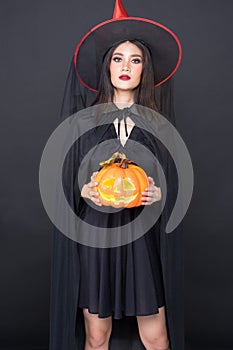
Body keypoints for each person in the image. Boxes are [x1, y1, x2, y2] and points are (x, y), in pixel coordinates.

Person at [49, 1, 184, 350]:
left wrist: (160, 194)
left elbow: (171, 182)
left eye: (135, 60)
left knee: (156, 338)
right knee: (97, 337)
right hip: (95, 237)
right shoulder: (81, 124)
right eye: (118, 58)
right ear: (106, 65)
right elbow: (63, 187)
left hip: (142, 234)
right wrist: (84, 190)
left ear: (145, 70)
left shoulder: (159, 125)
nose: (126, 66)